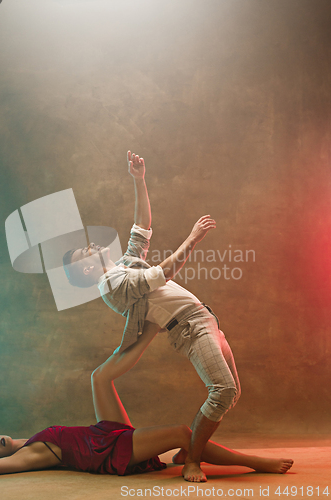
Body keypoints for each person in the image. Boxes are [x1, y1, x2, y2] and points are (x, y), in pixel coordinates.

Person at [63, 151, 241, 482]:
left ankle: (188, 452)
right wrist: (193, 238)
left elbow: (141, 228)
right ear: (86, 268)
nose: (91, 247)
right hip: (190, 327)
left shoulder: (121, 267)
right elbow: (162, 273)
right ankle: (192, 462)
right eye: (84, 252)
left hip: (205, 319)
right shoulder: (112, 285)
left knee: (232, 393)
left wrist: (138, 180)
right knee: (222, 391)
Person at [0, 326, 293, 477]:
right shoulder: (29, 455)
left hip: (101, 433)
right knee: (184, 432)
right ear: (2, 457)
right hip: (108, 452)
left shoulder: (28, 440)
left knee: (99, 376)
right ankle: (253, 463)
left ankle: (149, 329)